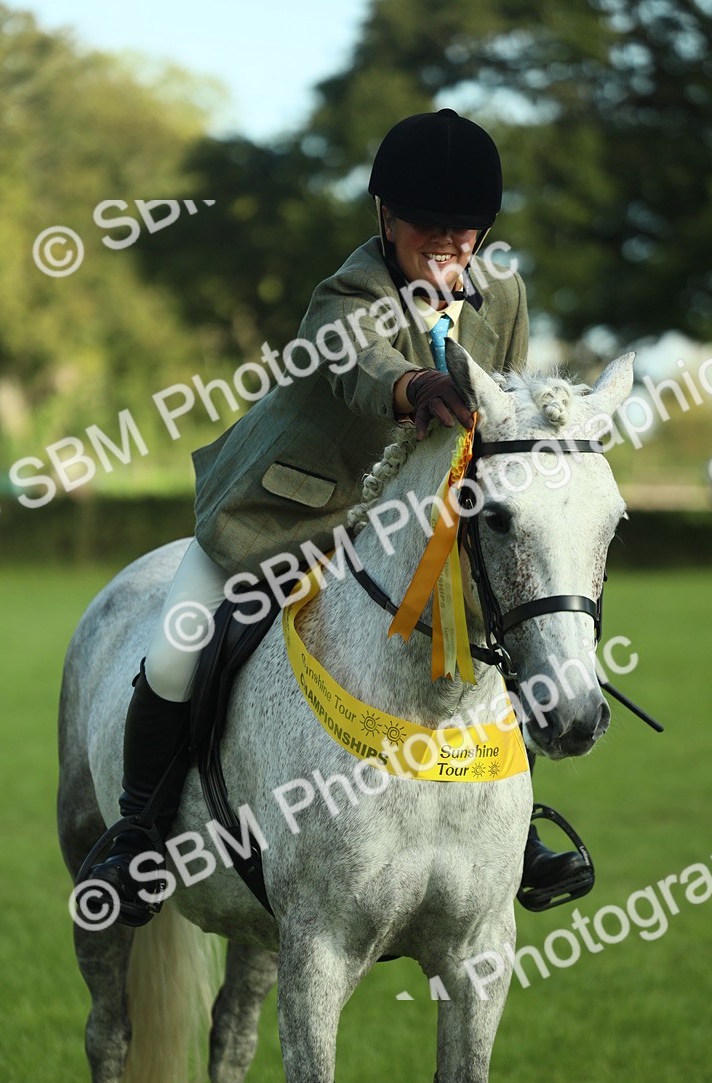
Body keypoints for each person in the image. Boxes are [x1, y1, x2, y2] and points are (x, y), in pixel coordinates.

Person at [87, 109, 592, 925]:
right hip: (282, 514)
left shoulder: (504, 295)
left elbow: (505, 412)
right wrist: (415, 387)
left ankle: (516, 831)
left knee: (511, 638)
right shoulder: (350, 291)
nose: (447, 243)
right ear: (386, 218)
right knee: (178, 654)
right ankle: (137, 835)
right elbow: (362, 361)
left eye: (464, 229)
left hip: (416, 532)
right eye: (426, 224)